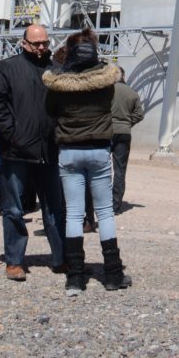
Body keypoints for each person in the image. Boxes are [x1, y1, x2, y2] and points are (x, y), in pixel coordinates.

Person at [44, 30, 131, 295]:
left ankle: (75, 278)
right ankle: (113, 275)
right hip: (98, 149)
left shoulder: (58, 85)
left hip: (69, 150)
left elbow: (50, 112)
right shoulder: (106, 83)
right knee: (104, 212)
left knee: (73, 213)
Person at [0, 24, 64, 281]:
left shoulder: (57, 71)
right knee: (15, 209)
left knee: (54, 208)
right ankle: (15, 261)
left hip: (49, 150)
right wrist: (13, 134)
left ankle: (61, 258)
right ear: (24, 43)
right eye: (36, 43)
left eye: (45, 43)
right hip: (16, 151)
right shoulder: (8, 68)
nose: (41, 48)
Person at [110, 66, 144, 214]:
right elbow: (139, 114)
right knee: (119, 170)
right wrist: (128, 123)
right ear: (124, 76)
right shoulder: (132, 93)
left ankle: (101, 203)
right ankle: (115, 206)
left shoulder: (106, 91)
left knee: (101, 169)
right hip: (124, 132)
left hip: (106, 131)